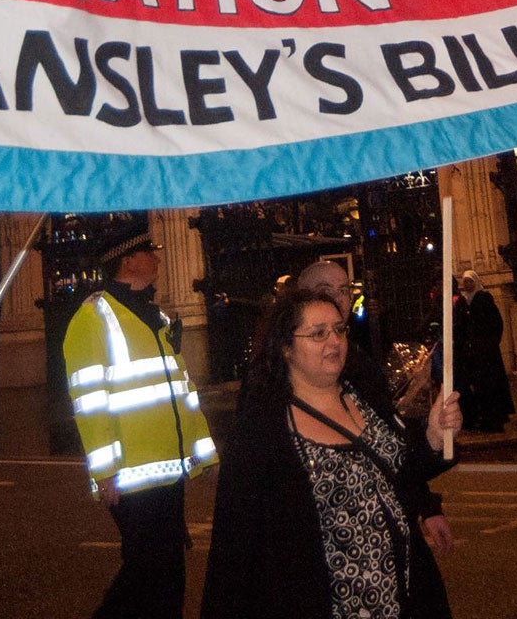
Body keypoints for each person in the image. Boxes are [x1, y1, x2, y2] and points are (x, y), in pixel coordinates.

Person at [203, 286, 462, 619]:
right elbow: (234, 547)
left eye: (339, 330)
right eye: (318, 333)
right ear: (286, 348)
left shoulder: (361, 399)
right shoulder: (263, 430)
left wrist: (433, 437)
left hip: (401, 597)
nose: (335, 341)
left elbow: (402, 475)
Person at [63, 223, 216, 619]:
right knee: (147, 572)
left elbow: (179, 392)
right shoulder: (93, 317)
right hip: (130, 474)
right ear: (128, 259)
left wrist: (200, 453)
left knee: (167, 571)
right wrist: (105, 471)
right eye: (151, 252)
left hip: (167, 467)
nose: (159, 258)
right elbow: (90, 400)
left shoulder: (154, 315)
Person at [295, 261, 451, 556]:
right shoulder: (275, 381)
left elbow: (389, 447)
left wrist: (426, 505)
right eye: (325, 290)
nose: (337, 298)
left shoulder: (358, 362)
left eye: (344, 290)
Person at [452, 273, 513, 433]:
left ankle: (493, 419)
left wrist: (490, 342)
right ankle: (482, 418)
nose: (467, 284)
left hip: (487, 352)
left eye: (470, 281)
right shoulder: (463, 302)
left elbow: (496, 322)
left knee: (490, 385)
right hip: (473, 352)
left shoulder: (484, 298)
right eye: (465, 282)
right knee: (478, 386)